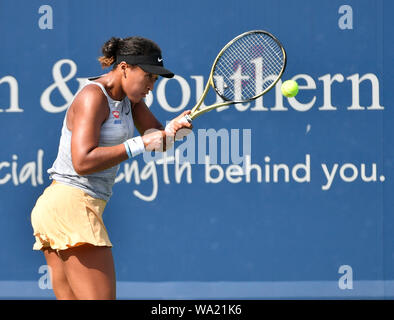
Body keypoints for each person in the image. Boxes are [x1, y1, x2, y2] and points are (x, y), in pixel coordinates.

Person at [30, 36, 192, 300]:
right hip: (70, 206)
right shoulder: (93, 96)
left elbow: (158, 141)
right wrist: (138, 143)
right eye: (148, 77)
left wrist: (173, 131)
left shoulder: (132, 101)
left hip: (62, 208)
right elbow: (82, 162)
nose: (151, 86)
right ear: (125, 67)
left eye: (155, 80)